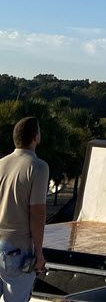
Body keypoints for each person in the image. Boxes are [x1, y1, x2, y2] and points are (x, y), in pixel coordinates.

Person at [0, 117, 49, 301]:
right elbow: (37, 213)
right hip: (16, 249)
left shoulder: (1, 164)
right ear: (35, 136)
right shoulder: (38, 167)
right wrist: (39, 253)